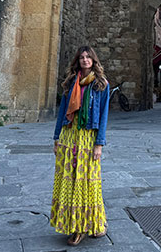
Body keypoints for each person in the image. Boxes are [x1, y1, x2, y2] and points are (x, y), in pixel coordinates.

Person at [51, 45, 110, 246]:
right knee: (69, 180)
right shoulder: (70, 82)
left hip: (87, 136)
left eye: (88, 57)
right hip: (69, 135)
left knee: (87, 181)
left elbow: (103, 116)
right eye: (82, 57)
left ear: (94, 61)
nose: (85, 60)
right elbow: (62, 112)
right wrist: (57, 137)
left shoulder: (101, 84)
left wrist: (99, 144)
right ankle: (75, 225)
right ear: (78, 61)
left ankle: (90, 225)